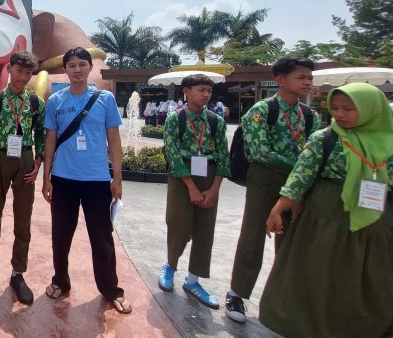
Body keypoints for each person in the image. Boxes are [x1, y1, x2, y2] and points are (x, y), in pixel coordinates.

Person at [260, 83, 393, 338]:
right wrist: (279, 206)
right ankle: (306, 326)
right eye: (335, 108)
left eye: (347, 108)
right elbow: (302, 173)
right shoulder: (326, 138)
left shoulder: (389, 141)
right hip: (325, 216)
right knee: (317, 272)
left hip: (373, 221)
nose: (339, 114)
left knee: (365, 277)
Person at [224, 56, 317, 323]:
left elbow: (314, 150)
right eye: (301, 77)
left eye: (309, 78)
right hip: (265, 179)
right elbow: (259, 151)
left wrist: (302, 174)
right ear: (280, 80)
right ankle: (237, 293)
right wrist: (300, 166)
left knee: (291, 239)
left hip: (297, 183)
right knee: (253, 234)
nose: (307, 83)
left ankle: (285, 296)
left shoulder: (310, 116)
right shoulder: (261, 111)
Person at [41, 47, 131, 314]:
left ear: (90, 67)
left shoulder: (105, 99)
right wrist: (46, 178)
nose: (77, 70)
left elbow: (114, 140)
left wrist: (117, 177)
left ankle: (110, 289)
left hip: (97, 180)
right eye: (72, 65)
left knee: (102, 237)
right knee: (61, 235)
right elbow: (50, 140)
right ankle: (61, 280)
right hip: (63, 179)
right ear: (65, 69)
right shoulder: (55, 101)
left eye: (82, 64)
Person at [0, 52, 45, 305]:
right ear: (10, 68)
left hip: (25, 160)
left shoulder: (36, 102)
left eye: (28, 73)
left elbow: (40, 134)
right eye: (20, 71)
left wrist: (37, 164)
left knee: (23, 219)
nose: (24, 77)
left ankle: (18, 273)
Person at [158, 74, 230, 309]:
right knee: (178, 224)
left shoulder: (215, 121)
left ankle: (193, 280)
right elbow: (173, 154)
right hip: (182, 178)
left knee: (204, 230)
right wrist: (191, 187)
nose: (206, 94)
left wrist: (214, 189)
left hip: (209, 176)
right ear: (186, 92)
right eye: (201, 90)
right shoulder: (174, 119)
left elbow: (223, 156)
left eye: (209, 90)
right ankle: (170, 266)